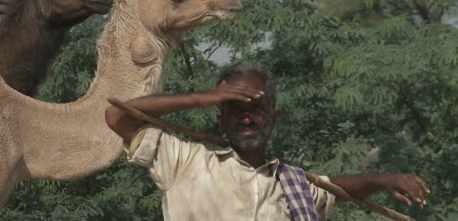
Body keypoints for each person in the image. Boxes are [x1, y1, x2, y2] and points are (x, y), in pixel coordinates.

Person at [105, 63, 429, 221]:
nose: (247, 118)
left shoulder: (293, 185)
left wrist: (386, 179)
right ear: (220, 119)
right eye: (235, 109)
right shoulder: (183, 161)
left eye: (256, 109)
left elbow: (336, 189)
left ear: (274, 119)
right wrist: (205, 97)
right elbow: (118, 118)